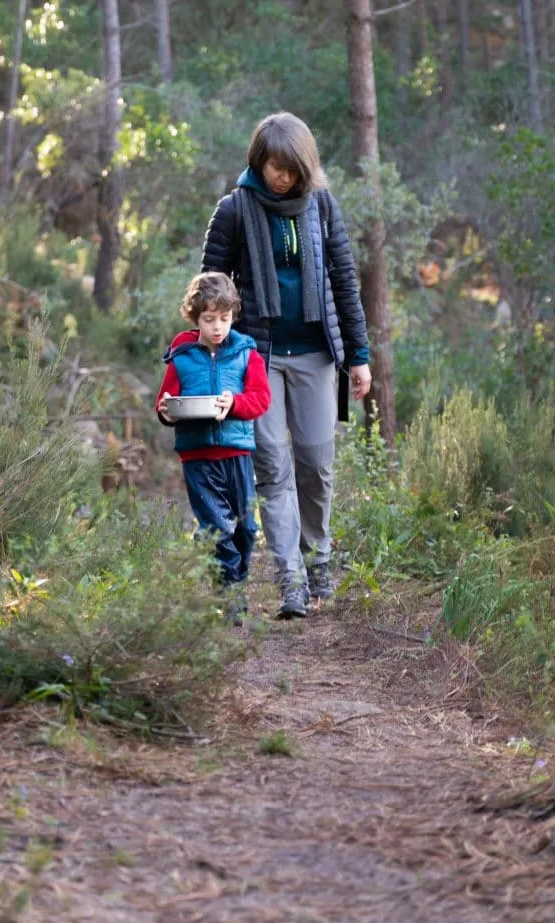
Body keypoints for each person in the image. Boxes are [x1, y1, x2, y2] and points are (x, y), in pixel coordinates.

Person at [201, 111, 371, 619]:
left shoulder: (321, 206)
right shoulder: (234, 209)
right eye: (277, 167)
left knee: (316, 465)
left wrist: (358, 357)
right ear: (260, 160)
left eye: (294, 169)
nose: (285, 177)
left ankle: (318, 559)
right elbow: (211, 289)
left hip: (318, 354)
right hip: (260, 358)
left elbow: (345, 281)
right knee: (273, 468)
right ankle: (290, 581)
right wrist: (212, 353)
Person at [155, 271, 271, 619]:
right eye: (209, 319)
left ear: (234, 315)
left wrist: (233, 404)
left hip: (236, 454)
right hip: (198, 456)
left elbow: (261, 399)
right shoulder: (182, 355)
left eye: (225, 318)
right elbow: (166, 400)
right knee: (216, 529)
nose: (218, 327)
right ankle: (229, 594)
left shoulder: (246, 353)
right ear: (195, 318)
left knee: (246, 529)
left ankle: (234, 580)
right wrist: (167, 412)